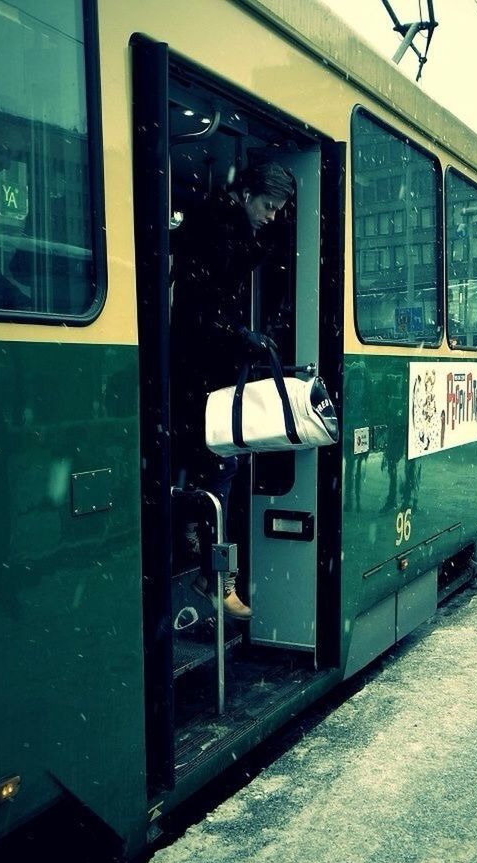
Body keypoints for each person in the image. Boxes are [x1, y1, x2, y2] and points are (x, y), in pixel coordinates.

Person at [170, 161, 295, 620]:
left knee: (220, 464)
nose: (271, 216)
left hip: (199, 369)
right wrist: (245, 337)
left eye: (278, 211)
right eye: (268, 206)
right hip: (202, 370)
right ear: (246, 193)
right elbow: (204, 310)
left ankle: (206, 555)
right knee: (224, 463)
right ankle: (213, 570)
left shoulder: (225, 227)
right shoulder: (218, 230)